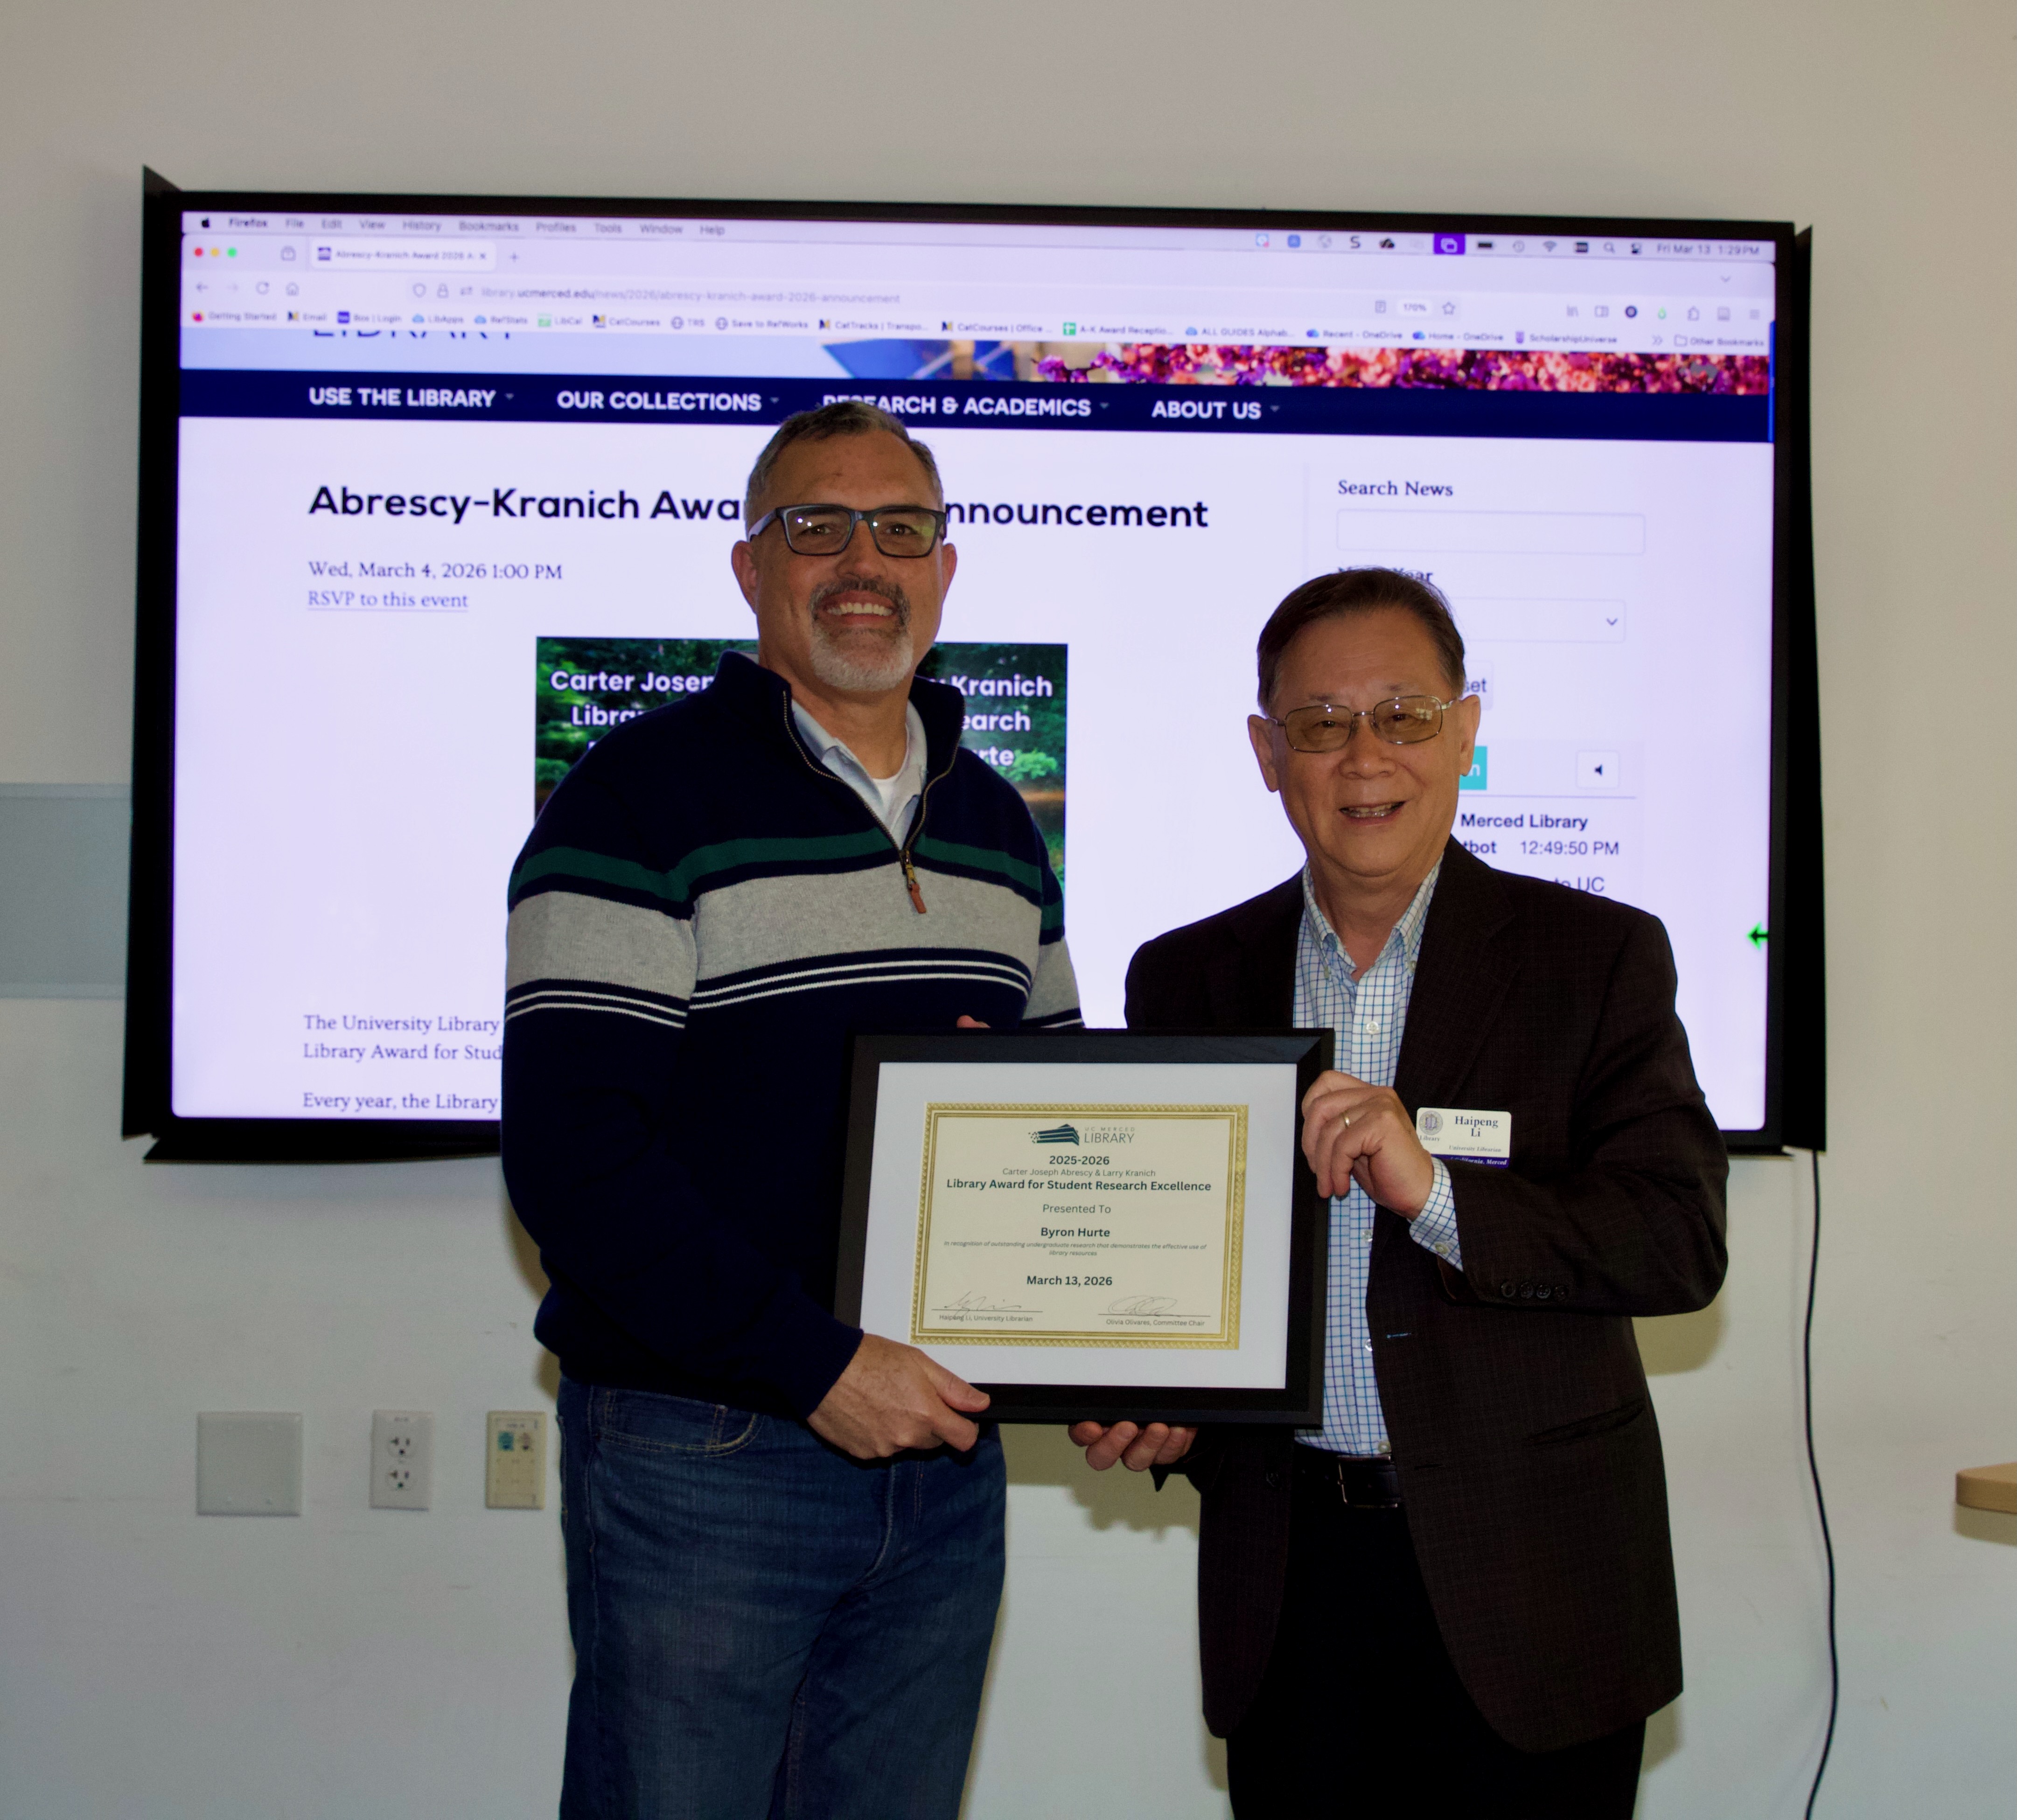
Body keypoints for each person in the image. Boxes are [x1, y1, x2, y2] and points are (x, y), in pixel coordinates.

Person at [1071, 567, 1728, 1818]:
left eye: (1404, 716)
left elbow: (1677, 1241)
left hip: (1534, 1587)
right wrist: (1162, 1403)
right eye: (1319, 724)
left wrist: (1432, 1189)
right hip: (1292, 1588)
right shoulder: (1188, 975)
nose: (1363, 757)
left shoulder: (1595, 959)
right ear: (1268, 753)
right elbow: (1186, 1275)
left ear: (1465, 731)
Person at [502, 401, 1080, 1820]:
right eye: (815, 526)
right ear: (749, 565)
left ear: (947, 568)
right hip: (710, 1456)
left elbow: (1071, 1121)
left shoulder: (998, 824)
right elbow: (575, 1159)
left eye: (900, 528)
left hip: (942, 1466)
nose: (861, 560)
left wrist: (1118, 1374)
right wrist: (814, 1364)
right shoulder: (634, 799)